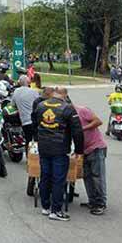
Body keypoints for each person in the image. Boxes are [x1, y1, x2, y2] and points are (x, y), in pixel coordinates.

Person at [32, 87, 84, 221]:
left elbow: (35, 124)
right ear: (65, 95)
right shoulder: (68, 108)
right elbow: (77, 131)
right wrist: (79, 150)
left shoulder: (40, 105)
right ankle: (56, 211)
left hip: (43, 147)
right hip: (59, 148)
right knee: (58, 179)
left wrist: (37, 140)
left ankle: (45, 207)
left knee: (45, 176)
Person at [74, 100, 108, 215]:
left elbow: (98, 121)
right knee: (87, 176)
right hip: (84, 149)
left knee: (97, 176)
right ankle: (92, 201)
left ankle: (100, 203)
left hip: (96, 147)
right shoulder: (67, 116)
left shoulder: (82, 110)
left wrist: (82, 129)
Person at [11, 78, 41, 143]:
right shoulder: (34, 92)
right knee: (37, 140)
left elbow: (13, 105)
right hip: (35, 120)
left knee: (28, 140)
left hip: (24, 120)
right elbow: (40, 104)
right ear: (28, 83)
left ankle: (28, 152)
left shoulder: (16, 92)